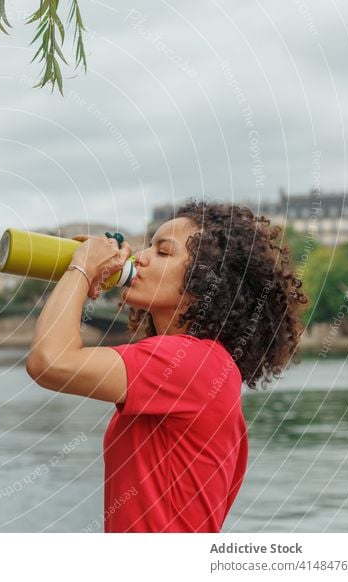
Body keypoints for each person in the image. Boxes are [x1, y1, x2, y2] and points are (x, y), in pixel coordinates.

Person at [26, 201, 307, 532]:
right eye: (147, 246)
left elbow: (51, 361)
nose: (140, 257)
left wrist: (82, 269)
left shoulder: (194, 363)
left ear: (205, 281)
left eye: (163, 252)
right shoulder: (198, 364)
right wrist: (82, 274)